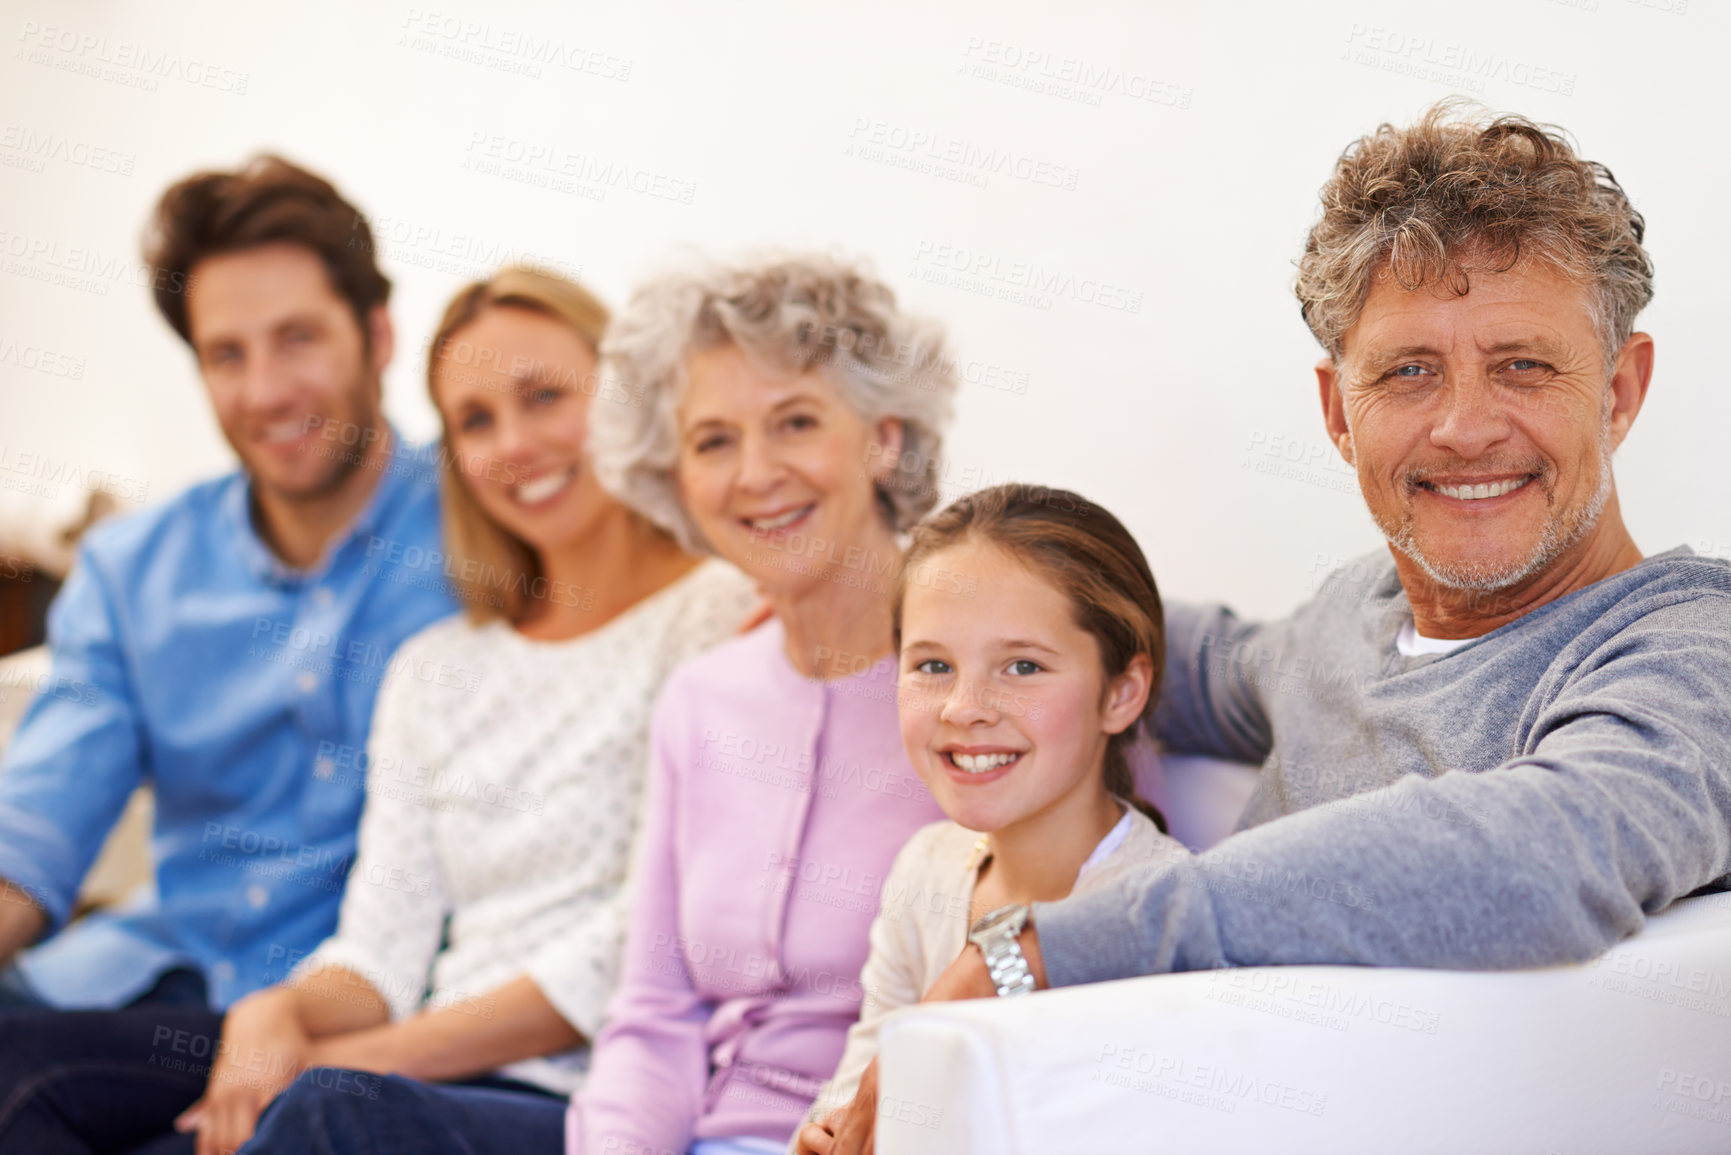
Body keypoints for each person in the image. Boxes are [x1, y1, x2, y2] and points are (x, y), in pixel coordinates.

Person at [824, 99, 1731, 1154]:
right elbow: (1151, 644)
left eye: (1525, 363)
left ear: (1620, 391)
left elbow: (1545, 856)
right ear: (1338, 414)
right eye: (1408, 371)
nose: (1466, 424)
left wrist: (1042, 949)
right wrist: (879, 585)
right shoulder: (1352, 617)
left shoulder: (1687, 646)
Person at [237, 253, 959, 1154]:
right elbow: (653, 1013)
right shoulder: (707, 699)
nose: (755, 472)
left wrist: (378, 1059)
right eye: (712, 441)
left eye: (796, 421)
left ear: (882, 437)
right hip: (669, 1128)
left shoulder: (968, 684)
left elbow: (1053, 934)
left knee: (334, 1112)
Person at [0, 157, 453, 1006]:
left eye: (298, 338)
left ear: (378, 335)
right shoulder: (129, 572)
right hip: (167, 986)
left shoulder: (489, 536)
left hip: (381, 1016)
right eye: (225, 354)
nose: (265, 392)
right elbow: (34, 831)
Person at [795, 484, 1188, 1153]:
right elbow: (861, 1077)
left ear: (1121, 692)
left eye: (1022, 665)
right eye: (933, 664)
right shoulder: (925, 867)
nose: (962, 706)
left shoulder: (1163, 915)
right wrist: (828, 1130)